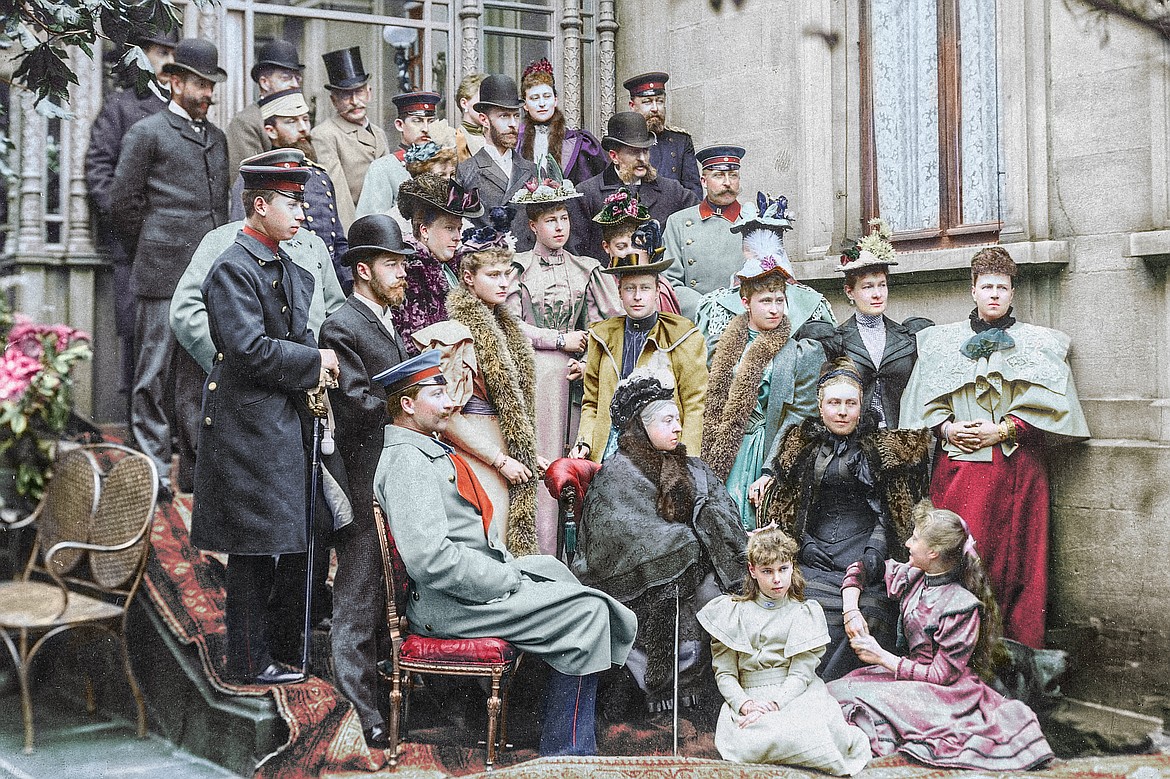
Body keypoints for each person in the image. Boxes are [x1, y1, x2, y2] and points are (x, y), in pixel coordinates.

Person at [374, 350, 637, 756]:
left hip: (462, 591)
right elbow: (430, 560)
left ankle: (526, 718)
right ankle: (567, 750)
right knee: (589, 613)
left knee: (554, 570)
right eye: (437, 394)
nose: (450, 403)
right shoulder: (409, 461)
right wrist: (504, 580)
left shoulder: (424, 448)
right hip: (448, 605)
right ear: (407, 406)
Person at [190, 150, 339, 686]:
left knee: (295, 537)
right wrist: (314, 362)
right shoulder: (232, 268)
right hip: (248, 426)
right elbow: (249, 349)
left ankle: (284, 650)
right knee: (254, 548)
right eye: (291, 202)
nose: (303, 213)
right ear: (259, 205)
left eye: (303, 201)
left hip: (287, 419)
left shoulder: (292, 267)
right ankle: (249, 662)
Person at [900, 247, 1090, 647]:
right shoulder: (940, 343)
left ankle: (1007, 661)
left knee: (1015, 565)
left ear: (1012, 293)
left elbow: (1053, 412)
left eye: (1001, 287)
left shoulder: (1038, 344)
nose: (994, 295)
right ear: (973, 290)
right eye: (986, 286)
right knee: (959, 557)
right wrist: (947, 430)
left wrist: (1004, 430)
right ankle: (949, 653)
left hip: (1016, 471)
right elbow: (923, 404)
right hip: (959, 473)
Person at [827, 502, 1056, 771]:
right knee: (835, 691)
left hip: (944, 692)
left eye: (914, 538)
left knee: (850, 699)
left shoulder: (960, 606)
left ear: (933, 552)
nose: (908, 544)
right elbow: (864, 568)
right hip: (908, 677)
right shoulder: (914, 576)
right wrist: (851, 608)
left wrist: (882, 657)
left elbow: (942, 676)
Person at [573, 373, 747, 720]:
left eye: (679, 420)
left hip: (695, 564)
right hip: (639, 575)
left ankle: (704, 692)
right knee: (697, 591)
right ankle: (659, 693)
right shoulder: (618, 474)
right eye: (668, 421)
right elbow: (617, 532)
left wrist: (707, 524)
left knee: (718, 594)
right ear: (642, 426)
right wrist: (683, 546)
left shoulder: (689, 466)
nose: (678, 428)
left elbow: (720, 507)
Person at [760, 358, 932, 681]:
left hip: (864, 555)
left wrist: (871, 558)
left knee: (871, 611)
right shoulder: (802, 446)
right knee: (799, 604)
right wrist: (805, 545)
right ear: (820, 405)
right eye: (834, 403)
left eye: (850, 403)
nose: (842, 411)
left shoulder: (881, 450)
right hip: (814, 558)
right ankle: (802, 687)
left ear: (861, 405)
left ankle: (840, 689)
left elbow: (889, 515)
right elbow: (792, 508)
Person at [111, 37, 230, 499]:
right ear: (173, 81)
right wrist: (155, 243)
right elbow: (123, 205)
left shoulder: (216, 139)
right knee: (153, 374)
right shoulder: (147, 132)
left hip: (208, 276)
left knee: (199, 372)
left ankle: (194, 471)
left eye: (210, 85)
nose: (207, 94)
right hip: (161, 273)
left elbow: (217, 207)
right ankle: (153, 469)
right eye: (198, 84)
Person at [319, 215, 413, 749]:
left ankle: (390, 697)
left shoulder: (379, 319)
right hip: (359, 478)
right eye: (391, 265)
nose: (402, 274)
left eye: (402, 264)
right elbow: (354, 404)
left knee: (386, 590)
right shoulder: (342, 325)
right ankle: (360, 711)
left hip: (388, 472)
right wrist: (410, 404)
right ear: (362, 270)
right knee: (357, 594)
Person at [412, 210, 544, 556]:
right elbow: (446, 417)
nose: (504, 283)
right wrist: (500, 460)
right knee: (492, 541)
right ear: (468, 278)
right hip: (476, 457)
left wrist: (529, 454)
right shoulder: (455, 335)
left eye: (508, 274)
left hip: (506, 451)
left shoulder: (506, 328)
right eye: (493, 274)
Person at [507, 159, 622, 553]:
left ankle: (578, 556)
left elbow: (606, 329)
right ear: (532, 226)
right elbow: (510, 324)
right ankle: (541, 552)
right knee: (542, 461)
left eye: (564, 219)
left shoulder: (588, 269)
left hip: (576, 380)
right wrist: (559, 340)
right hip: (536, 380)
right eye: (550, 220)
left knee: (576, 461)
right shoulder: (517, 270)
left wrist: (588, 358)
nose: (559, 227)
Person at [696, 525, 869, 774]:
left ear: (791, 568)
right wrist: (746, 705)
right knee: (753, 740)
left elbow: (801, 674)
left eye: (783, 569)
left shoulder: (803, 612)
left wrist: (775, 704)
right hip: (750, 698)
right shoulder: (732, 613)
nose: (777, 580)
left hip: (794, 694)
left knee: (816, 732)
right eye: (767, 571)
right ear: (752, 571)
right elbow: (725, 674)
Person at [84, 24, 177, 405]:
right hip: (137, 248)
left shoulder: (184, 109)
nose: (169, 63)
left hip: (179, 248)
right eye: (161, 53)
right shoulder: (122, 106)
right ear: (138, 58)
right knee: (140, 343)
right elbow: (99, 170)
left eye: (173, 55)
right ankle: (142, 440)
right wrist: (131, 225)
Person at [701, 255, 824, 531]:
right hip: (722, 444)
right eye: (765, 301)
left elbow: (798, 419)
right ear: (746, 303)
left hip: (766, 448)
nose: (774, 310)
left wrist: (771, 469)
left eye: (779, 300)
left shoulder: (799, 353)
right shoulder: (720, 346)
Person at [570, 219, 707, 464]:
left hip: (662, 450)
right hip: (611, 447)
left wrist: (688, 459)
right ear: (619, 293)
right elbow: (591, 403)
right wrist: (584, 442)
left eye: (645, 288)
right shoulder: (603, 336)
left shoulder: (682, 336)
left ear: (657, 292)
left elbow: (695, 405)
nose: (637, 297)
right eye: (630, 289)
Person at [806, 221, 932, 430]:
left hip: (900, 442)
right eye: (867, 287)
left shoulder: (908, 337)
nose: (877, 294)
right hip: (854, 446)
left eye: (882, 285)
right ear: (850, 292)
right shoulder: (836, 341)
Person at [228, 90, 349, 290]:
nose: (303, 129)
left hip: (326, 286)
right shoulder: (254, 180)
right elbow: (241, 239)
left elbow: (338, 242)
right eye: (291, 122)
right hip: (280, 287)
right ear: (271, 131)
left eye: (305, 119)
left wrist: (348, 286)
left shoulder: (320, 176)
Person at [695, 192, 835, 357]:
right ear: (745, 251)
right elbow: (708, 363)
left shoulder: (812, 303)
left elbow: (828, 358)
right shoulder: (718, 305)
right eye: (753, 250)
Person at [568, 111, 699, 261]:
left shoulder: (672, 191)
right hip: (607, 282)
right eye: (634, 152)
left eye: (645, 150)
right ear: (614, 156)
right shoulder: (587, 194)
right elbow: (576, 254)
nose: (642, 159)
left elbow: (697, 222)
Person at [662, 145, 758, 320]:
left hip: (748, 319)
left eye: (733, 175)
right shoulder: (678, 222)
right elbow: (670, 282)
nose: (727, 182)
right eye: (718, 175)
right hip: (697, 321)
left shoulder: (756, 222)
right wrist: (709, 311)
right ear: (704, 182)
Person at [393, 174, 484, 351]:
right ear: (424, 230)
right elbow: (416, 344)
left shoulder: (454, 266)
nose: (457, 237)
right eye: (449, 228)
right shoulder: (411, 274)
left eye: (459, 229)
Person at [456, 74, 537, 251]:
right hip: (486, 268)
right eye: (504, 116)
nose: (512, 124)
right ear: (484, 120)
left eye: (516, 116)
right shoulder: (466, 170)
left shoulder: (533, 170)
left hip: (528, 269)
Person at [311, 47, 388, 230]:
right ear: (334, 101)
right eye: (346, 95)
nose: (354, 101)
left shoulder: (379, 133)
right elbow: (338, 193)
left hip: (384, 225)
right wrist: (352, 239)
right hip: (356, 228)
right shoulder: (325, 134)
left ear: (369, 93)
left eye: (359, 92)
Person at [516, 58, 605, 185]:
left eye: (547, 97)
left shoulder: (580, 143)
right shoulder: (515, 142)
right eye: (534, 98)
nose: (542, 104)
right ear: (525, 104)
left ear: (555, 100)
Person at [592, 187, 681, 315]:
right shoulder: (599, 284)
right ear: (606, 247)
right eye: (621, 247)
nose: (630, 253)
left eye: (636, 245)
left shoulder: (660, 287)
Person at [226, 39, 304, 172]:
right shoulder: (247, 122)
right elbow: (247, 180)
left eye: (297, 78)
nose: (295, 84)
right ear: (264, 83)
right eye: (286, 78)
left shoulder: (301, 117)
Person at [623, 72, 702, 199]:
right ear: (632, 106)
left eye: (659, 101)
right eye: (647, 102)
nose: (655, 108)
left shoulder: (680, 141)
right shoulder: (621, 142)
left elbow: (693, 192)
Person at [356, 134, 457, 221]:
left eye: (452, 174)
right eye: (441, 175)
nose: (449, 180)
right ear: (422, 178)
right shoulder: (404, 214)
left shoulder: (456, 206)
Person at [453, 71, 487, 162]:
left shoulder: (492, 136)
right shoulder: (457, 139)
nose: (487, 107)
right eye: (482, 101)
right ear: (464, 103)